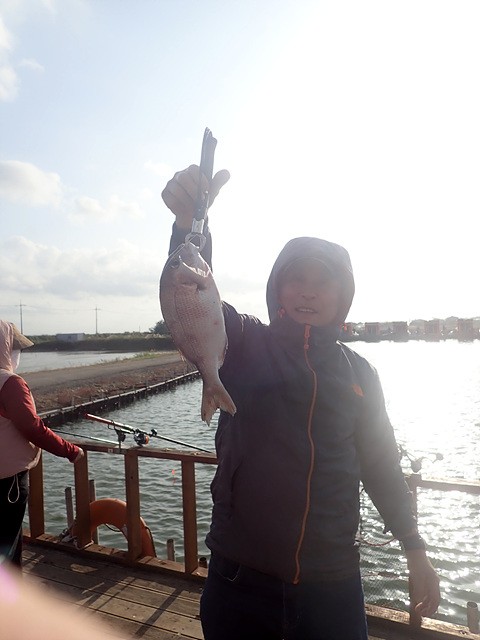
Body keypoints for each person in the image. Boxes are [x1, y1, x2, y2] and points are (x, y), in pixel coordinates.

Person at [161, 165, 440, 640]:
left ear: (343, 295)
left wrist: (415, 548)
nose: (309, 290)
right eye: (297, 279)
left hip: (332, 581)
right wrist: (189, 227)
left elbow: (381, 467)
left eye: (324, 281)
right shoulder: (244, 343)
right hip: (239, 575)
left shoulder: (359, 374)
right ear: (277, 290)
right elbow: (191, 297)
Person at [0, 319, 84, 568]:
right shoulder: (10, 383)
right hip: (7, 481)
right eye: (15, 347)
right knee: (8, 546)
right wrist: (71, 451)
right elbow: (31, 427)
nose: (17, 354)